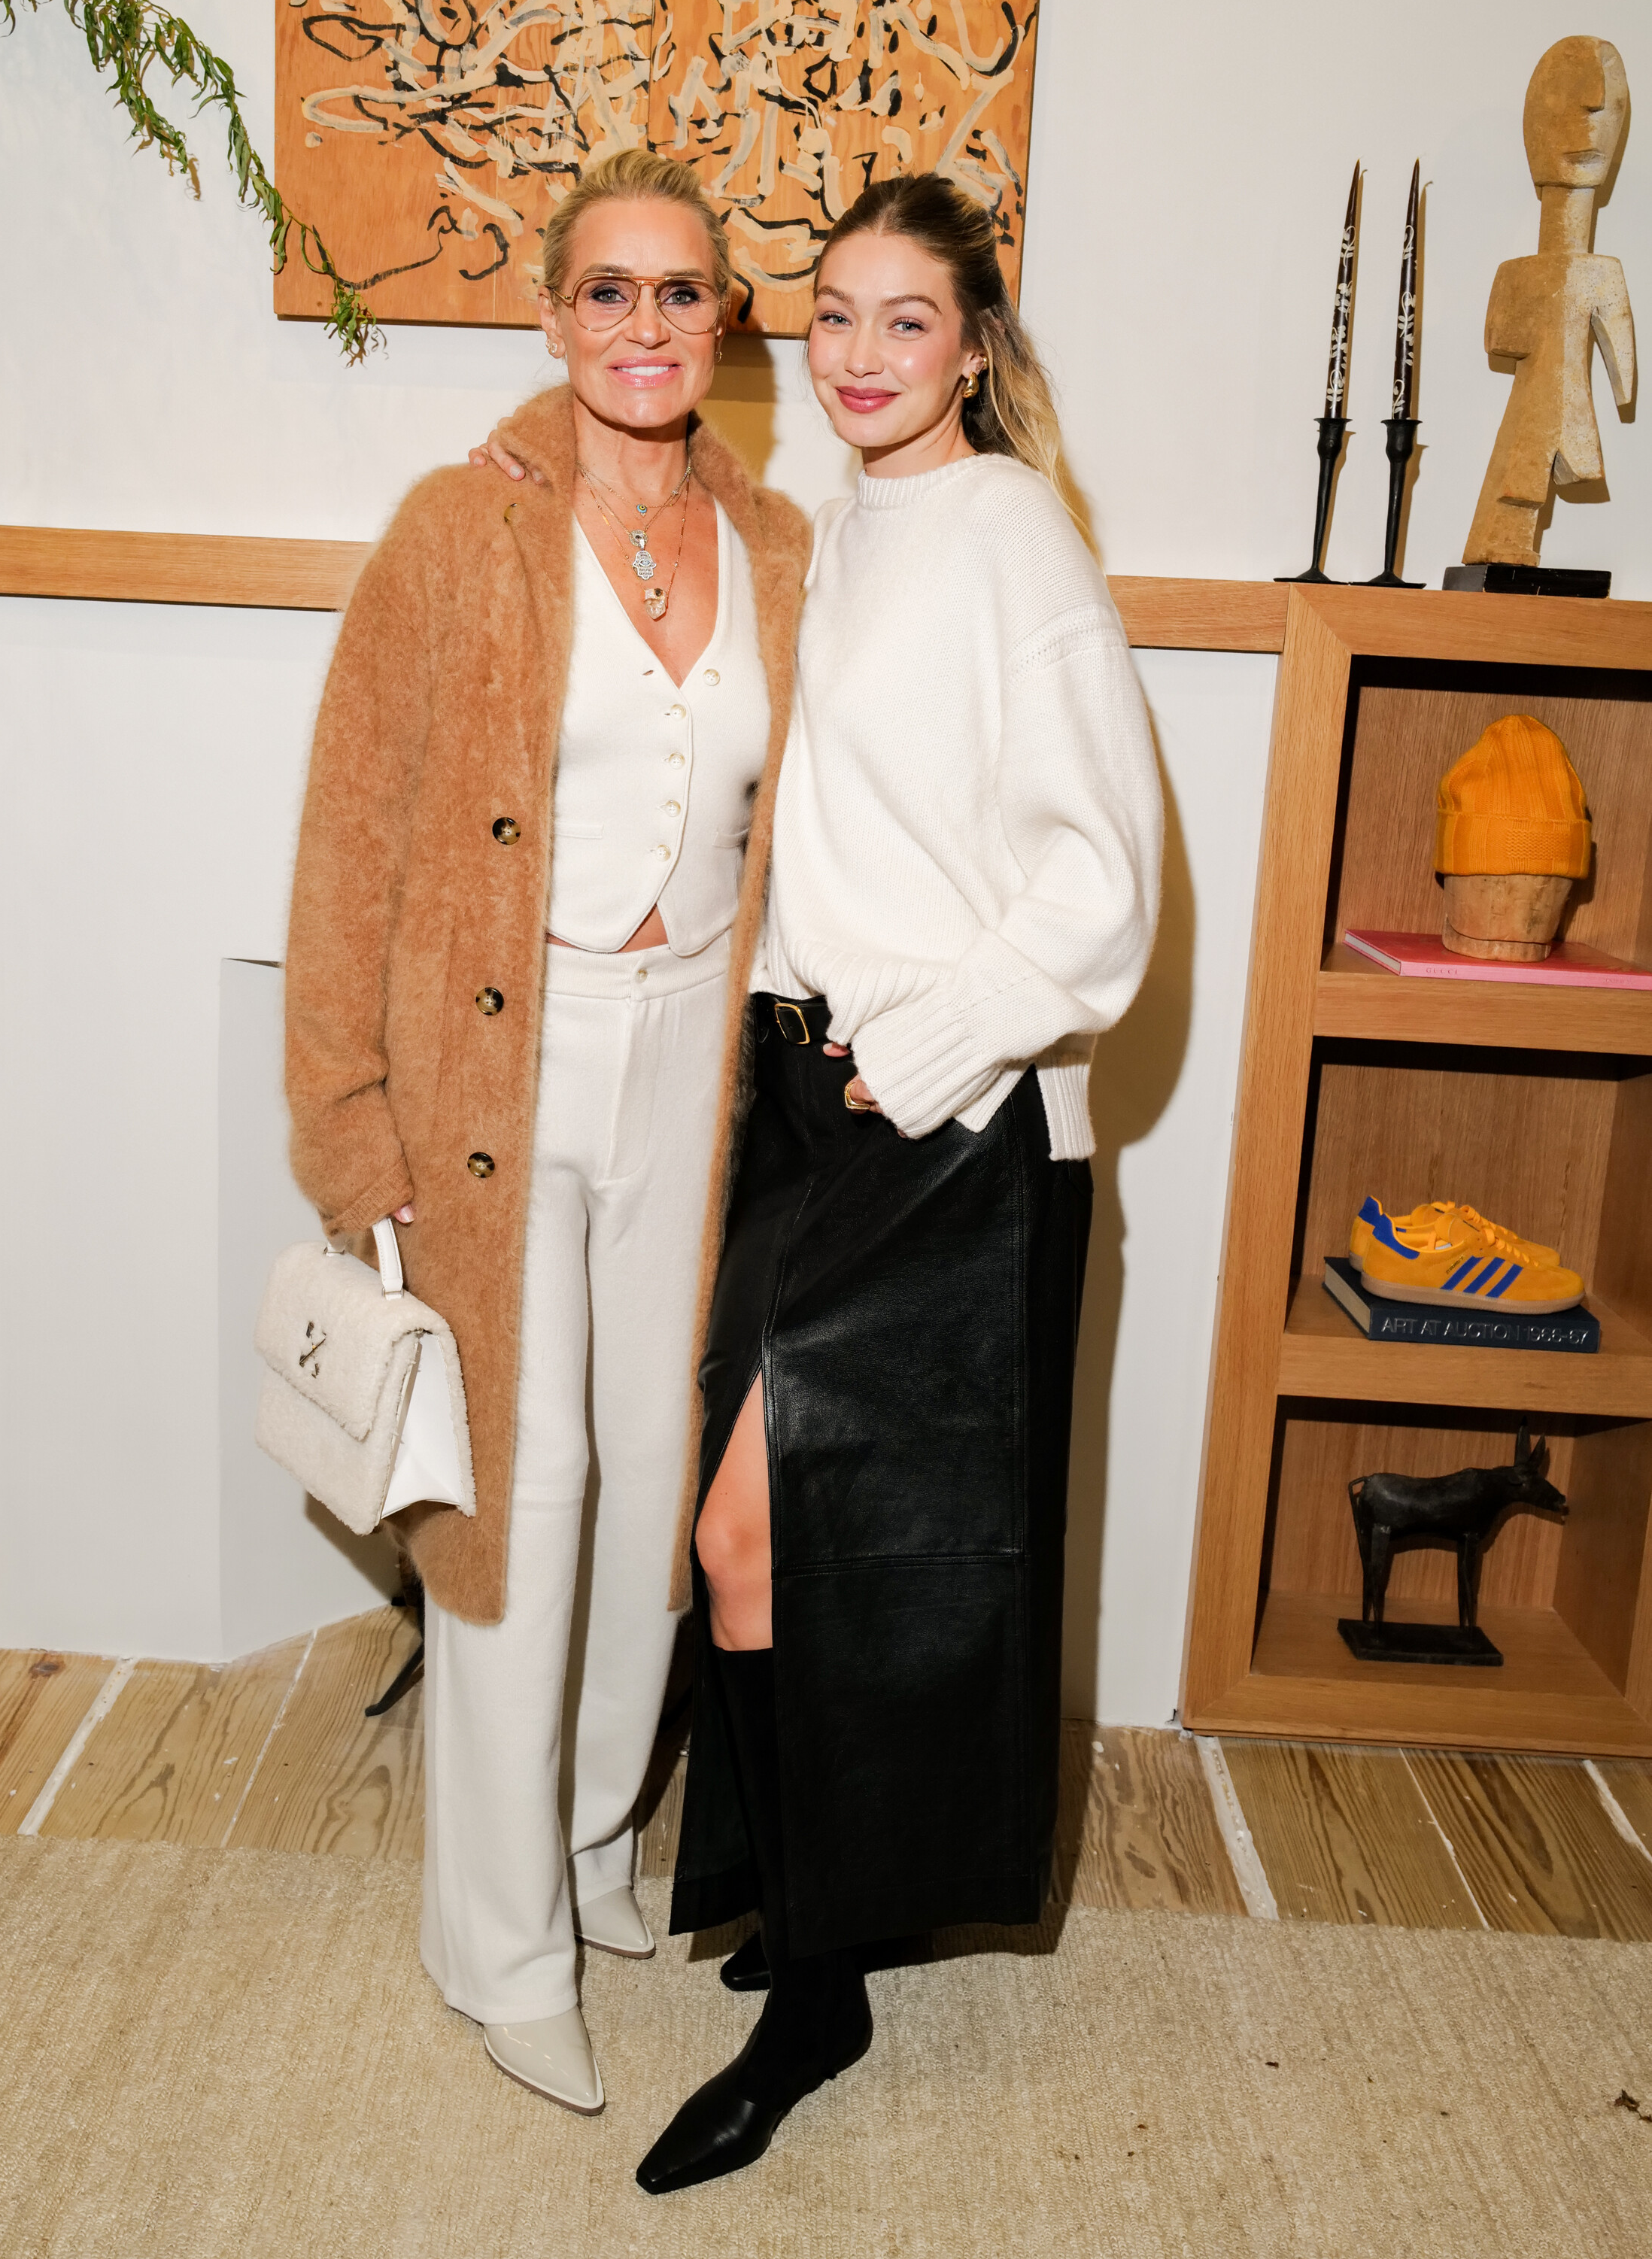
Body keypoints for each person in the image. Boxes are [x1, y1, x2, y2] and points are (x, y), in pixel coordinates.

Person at [636, 172, 1165, 2194]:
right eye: (834, 317)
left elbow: (1104, 884)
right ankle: (815, 1917)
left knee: (783, 1535)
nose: (859, 355)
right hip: (804, 1105)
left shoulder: (1010, 533)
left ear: (975, 349)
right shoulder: (833, 530)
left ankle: (819, 1994)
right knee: (745, 1541)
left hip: (946, 1122)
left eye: (905, 321)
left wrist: (921, 1054)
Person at [283, 148, 810, 2117]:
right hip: (499, 1072)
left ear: (721, 319)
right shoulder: (457, 531)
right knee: (523, 1489)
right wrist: (351, 1134)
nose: (645, 327)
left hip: (695, 1066)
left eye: (680, 292)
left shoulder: (780, 544)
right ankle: (495, 1943)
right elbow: (346, 844)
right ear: (551, 311)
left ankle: (589, 1844)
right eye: (609, 290)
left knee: (652, 1479)